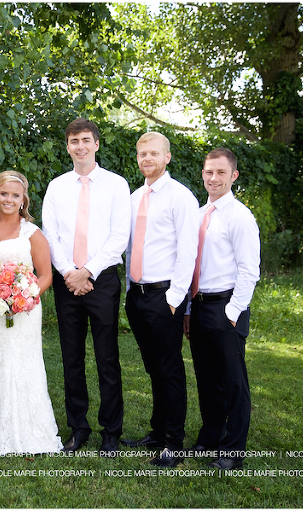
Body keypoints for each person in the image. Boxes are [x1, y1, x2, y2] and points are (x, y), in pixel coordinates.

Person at [41, 118, 131, 456]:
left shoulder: (116, 185)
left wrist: (88, 271)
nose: (80, 146)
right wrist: (69, 272)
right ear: (68, 146)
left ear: (96, 144)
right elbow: (51, 235)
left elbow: (119, 236)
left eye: (86, 140)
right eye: (74, 140)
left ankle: (111, 432)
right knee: (71, 357)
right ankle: (78, 428)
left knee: (108, 357)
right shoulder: (57, 186)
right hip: (68, 280)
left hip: (102, 277)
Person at [0, 171, 63, 455]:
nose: (8, 199)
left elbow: (45, 276)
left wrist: (23, 298)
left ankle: (29, 431)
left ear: (23, 200)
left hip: (23, 312)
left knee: (21, 364)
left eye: (15, 195)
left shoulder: (31, 232)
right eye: (3, 193)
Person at [124, 131, 198, 467]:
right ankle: (156, 431)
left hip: (163, 296)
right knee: (153, 368)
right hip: (136, 295)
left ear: (167, 157)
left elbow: (188, 250)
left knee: (169, 370)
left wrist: (175, 299)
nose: (147, 159)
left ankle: (173, 442)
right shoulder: (134, 197)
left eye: (154, 153)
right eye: (142, 154)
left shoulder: (181, 197)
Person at [184, 148, 260, 471]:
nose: (213, 178)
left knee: (233, 382)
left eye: (220, 173)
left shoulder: (240, 217)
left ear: (233, 176)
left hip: (226, 307)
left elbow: (249, 270)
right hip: (199, 307)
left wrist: (233, 312)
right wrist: (188, 309)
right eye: (208, 172)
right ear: (202, 174)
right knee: (206, 379)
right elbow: (189, 265)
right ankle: (210, 437)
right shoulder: (200, 215)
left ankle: (232, 449)